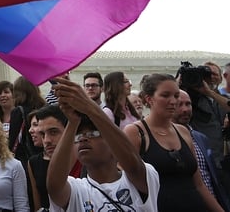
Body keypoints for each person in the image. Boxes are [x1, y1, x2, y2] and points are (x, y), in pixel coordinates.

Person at [47, 76, 159, 212]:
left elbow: (133, 165)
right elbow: (54, 186)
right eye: (78, 136)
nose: (83, 139)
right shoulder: (76, 188)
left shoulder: (142, 177)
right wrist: (72, 122)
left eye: (93, 134)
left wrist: (89, 107)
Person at [125, 73, 223, 212]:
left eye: (176, 96)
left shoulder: (184, 132)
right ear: (149, 99)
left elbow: (199, 185)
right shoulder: (135, 132)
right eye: (165, 95)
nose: (173, 101)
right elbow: (125, 179)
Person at [174, 89, 230, 211]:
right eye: (179, 104)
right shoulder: (161, 140)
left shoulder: (200, 137)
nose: (185, 109)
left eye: (188, 104)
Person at [27, 105, 83, 212]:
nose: (47, 140)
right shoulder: (35, 164)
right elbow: (38, 207)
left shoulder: (88, 163)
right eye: (42, 134)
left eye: (53, 132)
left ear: (70, 130)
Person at [8, 76, 45, 164]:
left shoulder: (18, 111)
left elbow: (13, 139)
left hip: (24, 158)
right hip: (44, 153)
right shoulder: (44, 108)